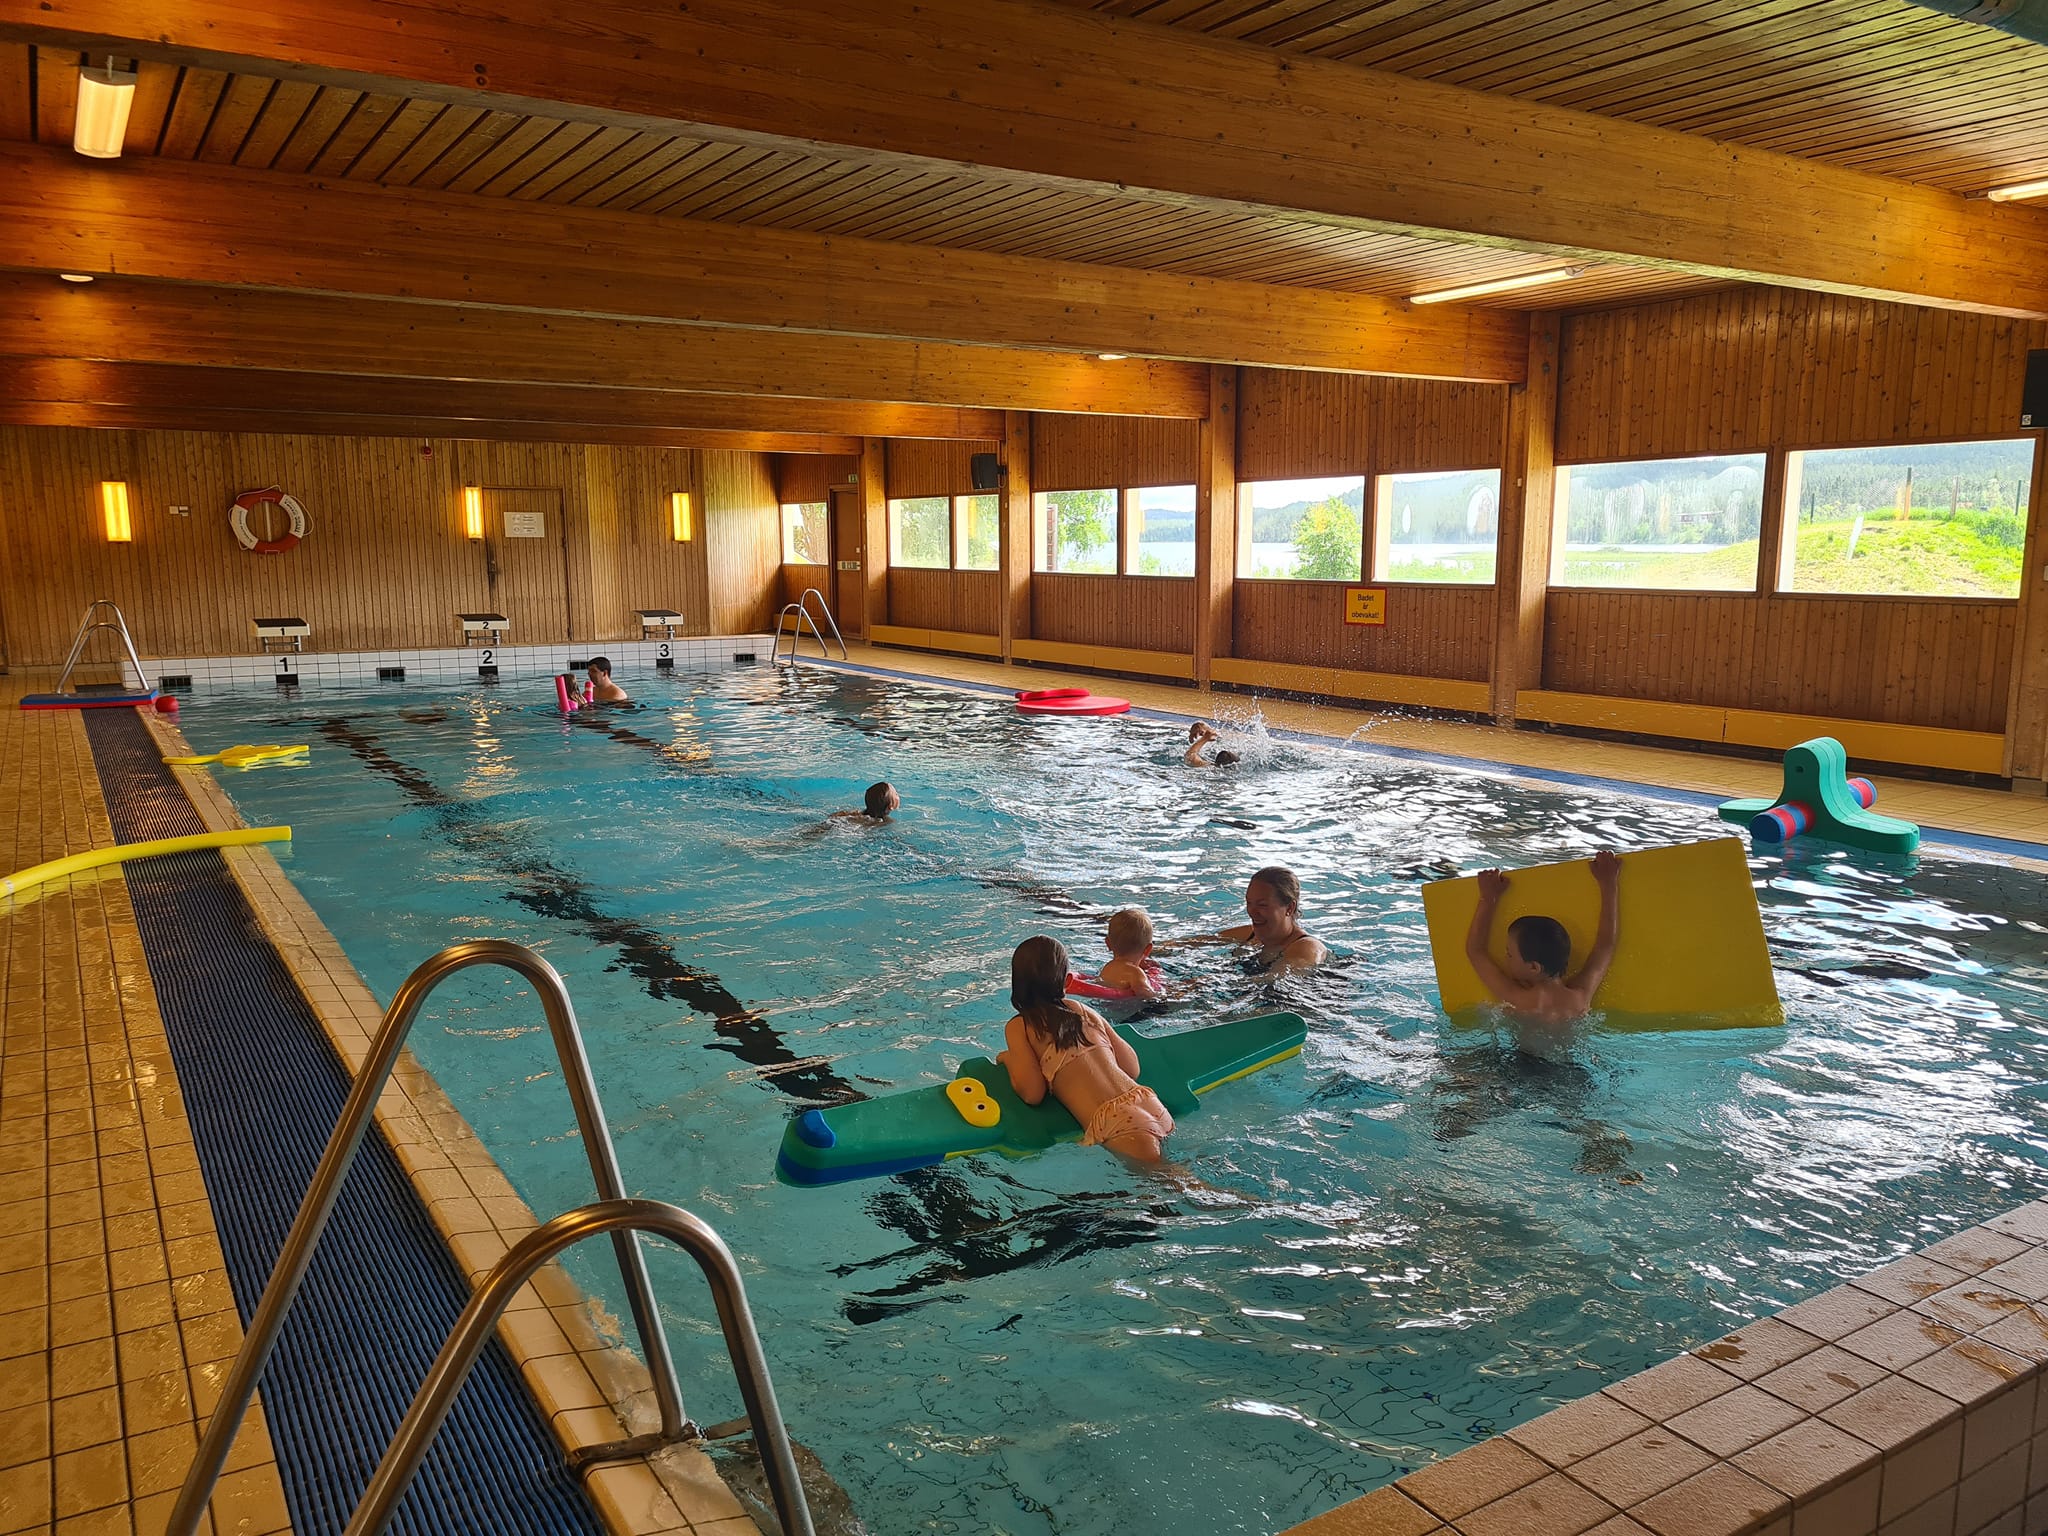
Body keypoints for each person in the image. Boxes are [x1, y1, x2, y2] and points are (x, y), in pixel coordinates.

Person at [998, 937, 1174, 1164]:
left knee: (1170, 1179)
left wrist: (1009, 1059)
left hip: (1115, 1122)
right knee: (1173, 1172)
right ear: (1067, 981)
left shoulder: (1019, 1026)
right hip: (1146, 1101)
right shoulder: (1082, 1010)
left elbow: (1032, 1094)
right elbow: (1131, 1068)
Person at [1464, 850, 1621, 1031]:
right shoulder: (1580, 998)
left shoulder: (1518, 999)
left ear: (1534, 967)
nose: (1506, 957)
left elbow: (1475, 951)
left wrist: (1488, 897)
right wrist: (1609, 883)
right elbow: (1605, 945)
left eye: (1510, 954)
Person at [1206, 866, 1325, 975]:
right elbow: (1200, 941)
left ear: (1289, 908)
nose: (1252, 912)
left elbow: (1272, 979)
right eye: (1249, 903)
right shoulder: (1250, 935)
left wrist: (1207, 983)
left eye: (1262, 905)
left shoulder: (1307, 947)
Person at [1096, 908, 1166, 999]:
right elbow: (1146, 994)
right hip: (1127, 1007)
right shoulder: (1135, 973)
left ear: (1108, 943)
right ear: (1148, 949)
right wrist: (1162, 995)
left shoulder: (1107, 968)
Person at [830, 781, 899, 824]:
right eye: (896, 794)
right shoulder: (887, 821)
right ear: (890, 806)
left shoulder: (858, 813)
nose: (897, 795)